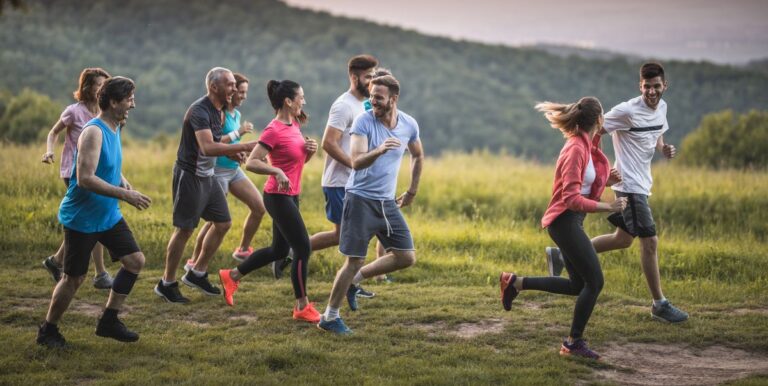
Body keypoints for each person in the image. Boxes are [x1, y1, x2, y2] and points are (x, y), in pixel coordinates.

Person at [545, 62, 689, 324]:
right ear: (640, 86)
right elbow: (593, 130)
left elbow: (656, 136)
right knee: (650, 242)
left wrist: (664, 149)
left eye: (656, 86)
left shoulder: (662, 108)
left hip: (643, 184)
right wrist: (595, 167)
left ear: (664, 86)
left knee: (622, 239)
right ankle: (659, 304)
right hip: (629, 186)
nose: (652, 91)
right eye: (647, 87)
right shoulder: (627, 111)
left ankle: (563, 256)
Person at [500, 97, 627, 360]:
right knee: (595, 282)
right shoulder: (576, 148)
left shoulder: (586, 145)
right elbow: (570, 199)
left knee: (577, 285)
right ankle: (573, 343)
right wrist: (609, 206)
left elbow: (581, 184)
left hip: (572, 222)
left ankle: (515, 283)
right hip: (565, 222)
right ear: (599, 120)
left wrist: (605, 182)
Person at [36, 76, 152, 348]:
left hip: (107, 215)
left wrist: (121, 178)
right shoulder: (93, 132)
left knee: (135, 261)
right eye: (129, 99)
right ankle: (48, 330)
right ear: (113, 102)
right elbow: (85, 178)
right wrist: (125, 195)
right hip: (83, 217)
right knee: (74, 278)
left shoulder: (116, 125)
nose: (133, 104)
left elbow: (106, 161)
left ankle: (108, 321)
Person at [317, 75, 424, 334]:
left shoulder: (408, 124)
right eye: (372, 95)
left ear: (393, 99)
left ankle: (354, 282)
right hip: (360, 199)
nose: (373, 101)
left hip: (387, 202)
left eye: (378, 97)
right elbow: (356, 161)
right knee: (354, 260)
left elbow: (418, 155)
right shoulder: (364, 122)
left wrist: (412, 190)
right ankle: (329, 317)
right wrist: (379, 149)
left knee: (405, 256)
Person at [273, 55, 379, 302]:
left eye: (374, 76)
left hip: (356, 182)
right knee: (349, 234)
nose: (372, 81)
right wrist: (354, 164)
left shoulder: (365, 105)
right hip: (339, 182)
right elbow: (329, 143)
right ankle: (347, 280)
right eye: (368, 77)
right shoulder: (343, 106)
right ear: (354, 77)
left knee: (346, 234)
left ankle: (294, 253)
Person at [218, 79, 322, 324]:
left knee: (279, 250)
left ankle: (232, 275)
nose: (304, 101)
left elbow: (294, 163)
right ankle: (302, 306)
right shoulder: (273, 130)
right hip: (277, 197)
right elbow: (253, 162)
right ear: (288, 101)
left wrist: (310, 151)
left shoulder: (294, 124)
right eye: (301, 97)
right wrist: (276, 172)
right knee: (302, 248)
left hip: (291, 195)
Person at [154, 67, 255, 303]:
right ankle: (166, 283)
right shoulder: (199, 110)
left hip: (208, 175)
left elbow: (216, 141)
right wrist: (244, 146)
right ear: (214, 87)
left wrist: (231, 153)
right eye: (230, 85)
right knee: (185, 230)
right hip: (190, 175)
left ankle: (197, 272)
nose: (234, 89)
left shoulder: (219, 110)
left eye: (234, 85)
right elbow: (207, 147)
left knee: (223, 222)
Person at [41, 67, 114, 289]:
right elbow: (53, 132)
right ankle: (100, 274)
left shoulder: (104, 114)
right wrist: (49, 151)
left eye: (105, 85)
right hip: (74, 173)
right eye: (99, 85)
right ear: (87, 87)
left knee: (88, 219)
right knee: (93, 216)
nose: (102, 89)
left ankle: (57, 261)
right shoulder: (74, 111)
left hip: (96, 173)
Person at [184, 73, 265, 272]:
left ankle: (243, 250)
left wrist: (242, 154)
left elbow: (232, 144)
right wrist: (239, 137)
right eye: (240, 91)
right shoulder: (219, 114)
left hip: (233, 170)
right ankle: (194, 261)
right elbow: (214, 143)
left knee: (259, 207)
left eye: (245, 92)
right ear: (231, 91)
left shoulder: (236, 115)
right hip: (218, 171)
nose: (243, 96)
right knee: (215, 220)